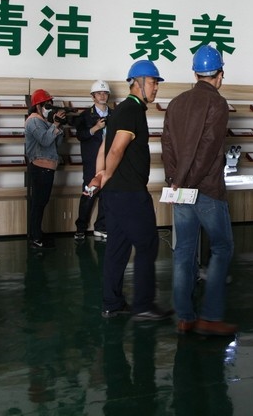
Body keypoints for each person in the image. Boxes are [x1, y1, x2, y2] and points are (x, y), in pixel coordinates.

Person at [87, 60, 173, 321]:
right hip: (129, 193)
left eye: (156, 83)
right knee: (148, 244)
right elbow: (115, 149)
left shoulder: (120, 110)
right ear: (138, 83)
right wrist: (106, 174)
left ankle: (111, 303)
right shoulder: (132, 110)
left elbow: (103, 147)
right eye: (153, 82)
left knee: (117, 247)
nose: (156, 87)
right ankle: (143, 305)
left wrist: (100, 175)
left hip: (115, 194)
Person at [161, 45, 238, 336]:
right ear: (220, 74)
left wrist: (175, 180)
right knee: (221, 247)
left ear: (195, 74)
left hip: (180, 189)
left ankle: (185, 317)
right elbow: (207, 150)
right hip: (207, 189)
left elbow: (167, 146)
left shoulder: (176, 103)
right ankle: (210, 317)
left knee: (183, 250)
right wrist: (189, 181)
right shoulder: (218, 104)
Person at [25, 88, 66, 249]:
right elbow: (45, 141)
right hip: (40, 167)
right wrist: (55, 124)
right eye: (47, 105)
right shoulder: (34, 121)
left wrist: (58, 126)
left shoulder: (43, 121)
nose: (49, 108)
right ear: (38, 106)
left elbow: (57, 144)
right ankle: (35, 237)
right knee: (38, 203)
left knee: (41, 202)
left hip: (47, 167)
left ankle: (37, 234)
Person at [73, 80, 111, 241]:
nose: (102, 96)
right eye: (99, 93)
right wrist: (95, 128)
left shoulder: (115, 114)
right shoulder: (85, 115)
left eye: (105, 93)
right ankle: (80, 228)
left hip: (110, 161)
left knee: (107, 195)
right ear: (93, 96)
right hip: (92, 162)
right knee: (89, 194)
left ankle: (101, 227)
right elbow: (80, 135)